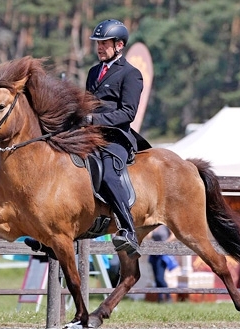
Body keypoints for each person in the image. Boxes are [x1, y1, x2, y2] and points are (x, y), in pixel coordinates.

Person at [82, 19, 147, 259]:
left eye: (104, 43)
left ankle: (128, 229)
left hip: (116, 137)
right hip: (89, 135)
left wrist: (93, 121)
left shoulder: (131, 74)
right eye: (98, 43)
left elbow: (127, 113)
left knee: (109, 174)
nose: (99, 47)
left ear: (119, 45)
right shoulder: (93, 72)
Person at [148, 226, 177, 303]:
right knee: (156, 279)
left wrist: (165, 243)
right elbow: (148, 236)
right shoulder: (153, 227)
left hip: (163, 255)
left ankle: (168, 297)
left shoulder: (165, 226)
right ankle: (160, 298)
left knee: (160, 278)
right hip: (154, 254)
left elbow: (173, 235)